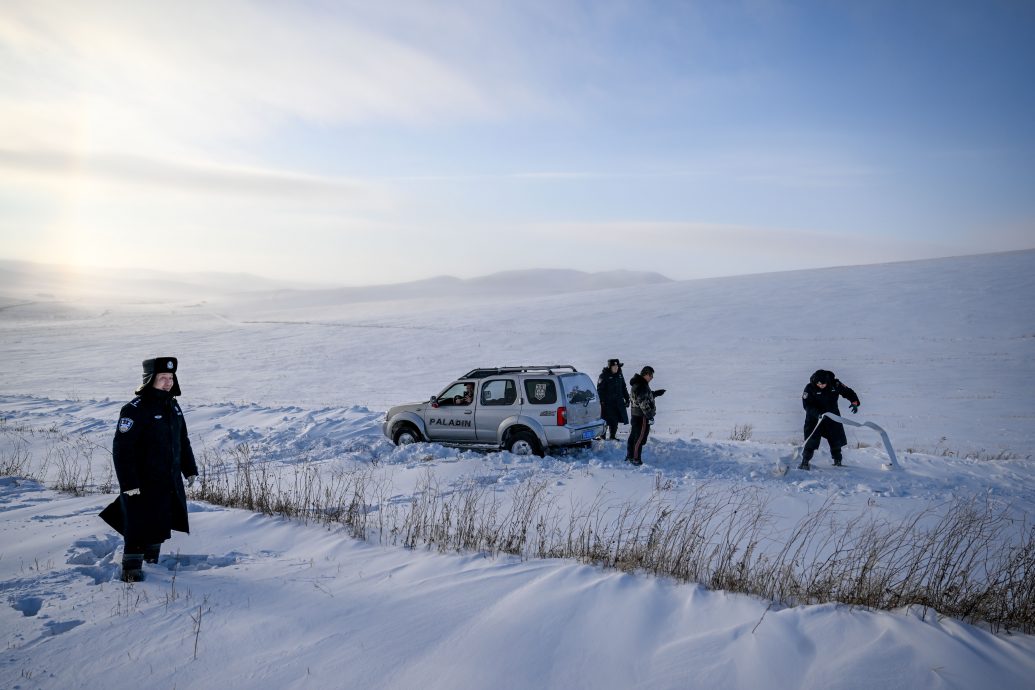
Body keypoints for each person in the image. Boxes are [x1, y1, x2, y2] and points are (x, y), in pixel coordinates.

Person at [100, 357, 198, 582]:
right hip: (141, 482)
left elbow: (182, 440)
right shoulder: (134, 409)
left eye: (171, 378)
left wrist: (189, 469)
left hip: (167, 479)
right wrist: (129, 484)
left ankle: (151, 563)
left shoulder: (172, 405)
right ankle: (131, 571)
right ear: (149, 379)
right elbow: (122, 449)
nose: (167, 382)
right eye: (162, 378)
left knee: (162, 520)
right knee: (138, 524)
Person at [799, 369, 861, 470]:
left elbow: (848, 392)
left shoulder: (835, 384)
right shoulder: (809, 388)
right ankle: (805, 462)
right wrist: (817, 414)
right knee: (811, 440)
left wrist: (854, 402)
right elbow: (807, 405)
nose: (822, 386)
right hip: (814, 418)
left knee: (836, 439)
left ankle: (838, 461)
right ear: (815, 382)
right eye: (819, 384)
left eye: (824, 384)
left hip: (832, 416)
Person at [626, 365, 666, 466]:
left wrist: (655, 393)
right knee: (639, 438)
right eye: (651, 375)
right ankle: (636, 459)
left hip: (636, 415)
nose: (652, 377)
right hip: (641, 416)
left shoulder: (639, 384)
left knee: (634, 436)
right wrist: (649, 416)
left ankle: (630, 456)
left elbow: (645, 396)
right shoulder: (641, 385)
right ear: (646, 374)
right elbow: (643, 402)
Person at [597, 358, 630, 440]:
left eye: (617, 366)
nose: (616, 368)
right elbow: (599, 390)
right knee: (605, 420)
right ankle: (602, 437)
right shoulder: (603, 376)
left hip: (618, 402)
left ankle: (612, 436)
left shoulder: (620, 375)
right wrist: (602, 402)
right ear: (610, 367)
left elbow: (623, 387)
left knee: (615, 420)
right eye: (614, 366)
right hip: (607, 403)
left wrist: (627, 398)